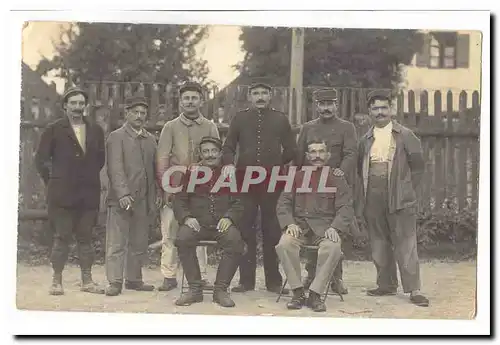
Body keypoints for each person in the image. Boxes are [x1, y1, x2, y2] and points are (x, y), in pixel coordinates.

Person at [222, 78, 298, 294]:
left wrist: (276, 163)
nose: (260, 97)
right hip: (245, 181)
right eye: (256, 93)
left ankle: (273, 281)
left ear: (270, 95)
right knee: (245, 229)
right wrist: (228, 165)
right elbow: (228, 147)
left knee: (272, 230)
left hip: (272, 181)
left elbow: (291, 149)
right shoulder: (240, 119)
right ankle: (246, 281)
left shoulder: (280, 119)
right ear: (250, 96)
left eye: (264, 93)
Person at [358, 89, 429, 307]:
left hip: (399, 194)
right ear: (369, 111)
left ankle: (414, 289)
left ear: (391, 110)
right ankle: (386, 284)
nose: (380, 112)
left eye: (384, 108)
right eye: (375, 108)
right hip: (372, 193)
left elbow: (418, 166)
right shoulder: (365, 138)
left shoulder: (405, 135)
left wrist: (407, 190)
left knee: (405, 242)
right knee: (378, 241)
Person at [35, 86, 105, 296]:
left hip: (88, 193)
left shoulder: (95, 130)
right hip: (61, 194)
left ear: (85, 106)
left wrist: (86, 177)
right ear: (65, 106)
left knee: (85, 237)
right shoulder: (53, 129)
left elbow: (99, 160)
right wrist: (55, 180)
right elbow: (41, 160)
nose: (77, 107)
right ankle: (57, 281)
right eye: (73, 103)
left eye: (81, 103)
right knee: (62, 236)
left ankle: (87, 280)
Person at [275, 139, 354, 312]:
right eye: (313, 152)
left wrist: (335, 227)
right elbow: (283, 203)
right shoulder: (296, 176)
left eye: (321, 151)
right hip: (300, 226)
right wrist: (289, 223)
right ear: (307, 155)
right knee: (284, 244)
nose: (317, 156)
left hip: (325, 227)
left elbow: (345, 207)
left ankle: (315, 294)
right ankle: (297, 292)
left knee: (333, 247)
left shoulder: (337, 178)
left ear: (327, 155)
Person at [156, 82, 220, 291]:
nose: (190, 102)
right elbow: (163, 158)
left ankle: (200, 276)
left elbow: (216, 158)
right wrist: (166, 187)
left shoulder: (209, 126)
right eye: (186, 98)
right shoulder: (170, 127)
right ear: (180, 102)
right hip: (175, 185)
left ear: (201, 101)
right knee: (170, 231)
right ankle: (169, 274)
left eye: (194, 98)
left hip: (200, 188)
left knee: (199, 228)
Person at [296, 89, 358, 295]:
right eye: (322, 104)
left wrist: (341, 172)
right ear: (316, 106)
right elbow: (299, 156)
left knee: (335, 229)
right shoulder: (308, 128)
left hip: (336, 185)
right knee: (312, 226)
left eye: (330, 103)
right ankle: (312, 274)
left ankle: (336, 277)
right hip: (312, 185)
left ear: (336, 105)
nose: (326, 108)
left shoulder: (346, 128)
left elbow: (350, 153)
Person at [173, 137, 245, 307]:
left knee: (235, 241)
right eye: (206, 151)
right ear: (200, 154)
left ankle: (220, 290)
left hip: (222, 224)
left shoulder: (229, 174)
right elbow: (179, 200)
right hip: (198, 224)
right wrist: (187, 218)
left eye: (213, 151)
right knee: (183, 239)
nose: (210, 155)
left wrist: (229, 217)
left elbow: (240, 202)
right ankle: (195, 289)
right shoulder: (192, 174)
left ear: (220, 153)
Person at [104, 96, 160, 296]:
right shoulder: (116, 137)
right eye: (135, 112)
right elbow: (115, 167)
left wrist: (155, 195)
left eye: (143, 113)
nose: (139, 116)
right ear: (126, 113)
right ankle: (114, 281)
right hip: (121, 199)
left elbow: (154, 172)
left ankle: (134, 279)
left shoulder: (150, 139)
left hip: (143, 200)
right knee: (117, 242)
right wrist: (123, 193)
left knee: (139, 241)